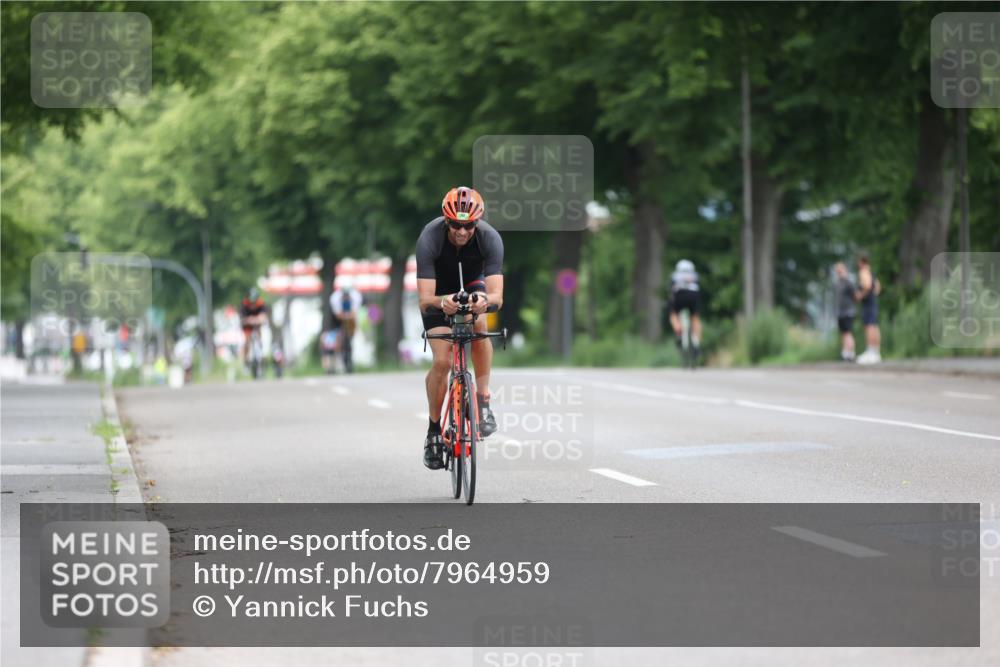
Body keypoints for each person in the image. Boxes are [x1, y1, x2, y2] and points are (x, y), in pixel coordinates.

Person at [416, 186, 504, 470]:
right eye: (455, 225)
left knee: (480, 322)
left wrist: (483, 301)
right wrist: (444, 302)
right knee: (442, 360)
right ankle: (433, 433)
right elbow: (424, 300)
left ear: (476, 222)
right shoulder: (429, 239)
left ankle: (483, 399)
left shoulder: (490, 239)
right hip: (438, 293)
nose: (461, 231)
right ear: (446, 221)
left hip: (473, 285)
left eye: (467, 225)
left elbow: (497, 298)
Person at [668, 259, 702, 360]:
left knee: (673, 313)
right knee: (695, 318)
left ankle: (678, 330)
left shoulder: (675, 275)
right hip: (693, 296)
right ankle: (696, 343)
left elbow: (671, 289)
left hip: (679, 295)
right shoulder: (695, 275)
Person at [330, 277, 363, 374]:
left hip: (351, 318)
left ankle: (349, 361)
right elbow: (337, 314)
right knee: (338, 339)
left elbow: (354, 313)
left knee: (349, 338)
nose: (346, 297)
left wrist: (349, 325)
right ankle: (334, 364)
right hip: (338, 319)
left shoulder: (356, 296)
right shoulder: (335, 298)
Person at [855, 254, 882, 364]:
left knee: (869, 326)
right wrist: (872, 294)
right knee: (874, 326)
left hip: (867, 303)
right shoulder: (872, 272)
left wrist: (860, 295)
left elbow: (867, 285)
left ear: (861, 262)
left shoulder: (863, 272)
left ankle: (870, 351)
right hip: (873, 302)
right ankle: (876, 352)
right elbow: (878, 288)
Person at [239, 288, 268, 364]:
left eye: (254, 301)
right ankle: (246, 359)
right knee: (247, 340)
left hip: (257, 323)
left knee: (259, 335)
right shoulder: (244, 304)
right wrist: (248, 320)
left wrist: (257, 319)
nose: (253, 304)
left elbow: (263, 315)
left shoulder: (260, 303)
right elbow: (242, 318)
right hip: (247, 325)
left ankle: (261, 353)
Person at [834, 262, 856, 361]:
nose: (839, 273)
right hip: (840, 312)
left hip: (848, 311)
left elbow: (855, 296)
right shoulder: (838, 283)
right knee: (843, 333)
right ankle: (845, 353)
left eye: (840, 270)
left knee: (848, 333)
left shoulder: (848, 282)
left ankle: (850, 353)